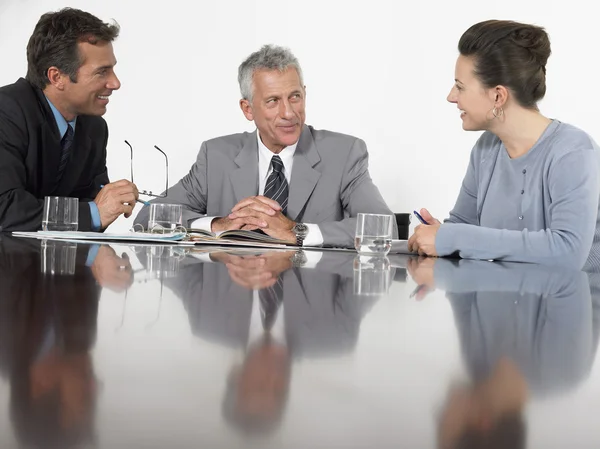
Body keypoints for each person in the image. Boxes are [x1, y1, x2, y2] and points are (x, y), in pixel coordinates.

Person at [134, 44, 396, 248]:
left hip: (313, 303)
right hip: (237, 301)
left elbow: (383, 228)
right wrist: (218, 225)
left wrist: (297, 232)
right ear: (248, 109)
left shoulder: (344, 153)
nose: (289, 113)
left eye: (295, 97)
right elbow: (148, 217)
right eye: (273, 101)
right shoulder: (216, 156)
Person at [408, 20, 600, 269]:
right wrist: (440, 235)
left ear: (498, 95)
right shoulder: (486, 149)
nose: (451, 97)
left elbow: (567, 251)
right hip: (498, 303)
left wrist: (454, 238)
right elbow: (462, 228)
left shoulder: (573, 151)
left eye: (460, 87)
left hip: (570, 303)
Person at [0, 8, 139, 232]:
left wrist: (106, 205)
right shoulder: (6, 111)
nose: (115, 83)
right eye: (102, 72)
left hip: (58, 263)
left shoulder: (94, 127)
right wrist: (94, 212)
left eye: (112, 69)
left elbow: (92, 205)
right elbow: (4, 209)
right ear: (56, 77)